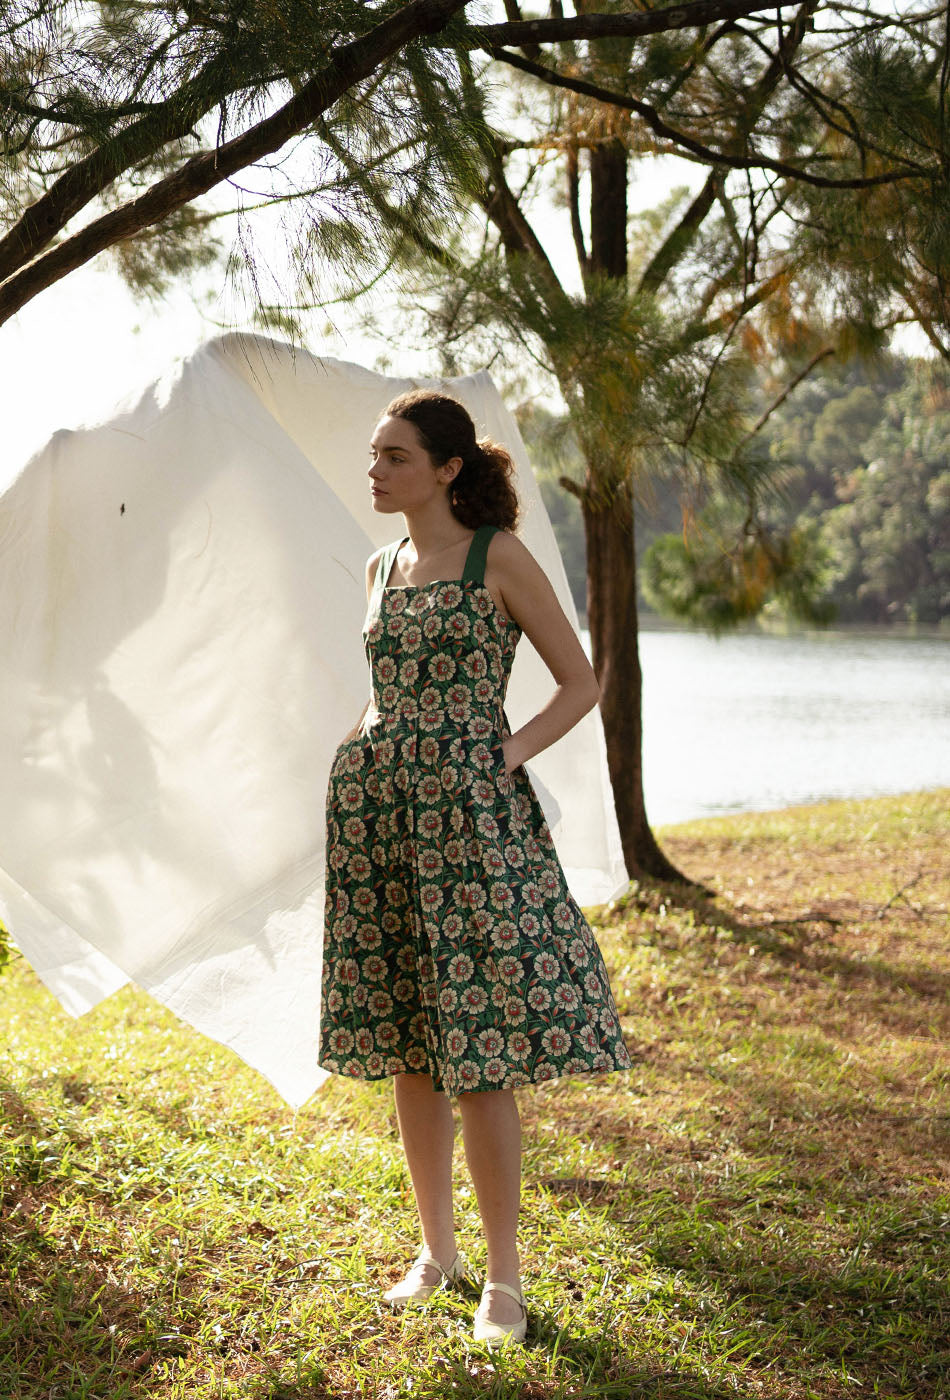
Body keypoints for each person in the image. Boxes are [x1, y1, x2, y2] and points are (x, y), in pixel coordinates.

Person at [318, 390, 631, 1345]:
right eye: (375, 454)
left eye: (396, 456)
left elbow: (583, 682)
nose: (376, 471)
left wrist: (503, 752)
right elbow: (386, 688)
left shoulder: (498, 557)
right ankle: (435, 1253)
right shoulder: (378, 566)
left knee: (478, 1050)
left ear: (447, 469)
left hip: (472, 829)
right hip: (380, 819)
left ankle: (505, 1283)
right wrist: (359, 751)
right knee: (413, 1042)